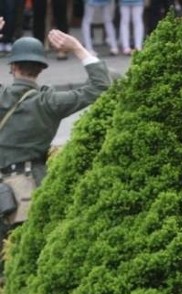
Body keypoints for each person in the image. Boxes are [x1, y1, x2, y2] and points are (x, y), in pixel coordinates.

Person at [0, 23, 111, 257]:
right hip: (30, 188)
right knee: (28, 253)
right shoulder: (49, 103)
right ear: (40, 69)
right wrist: (78, 48)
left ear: (13, 67)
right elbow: (100, 86)